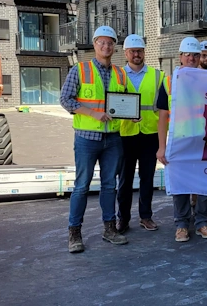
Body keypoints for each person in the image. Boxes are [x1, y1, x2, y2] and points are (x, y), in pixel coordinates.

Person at [60, 26, 129, 253]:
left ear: (114, 47)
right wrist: (92, 113)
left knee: (110, 186)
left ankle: (109, 229)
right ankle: (74, 233)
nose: (106, 46)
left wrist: (131, 114)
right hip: (87, 139)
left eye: (110, 43)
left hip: (113, 139)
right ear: (94, 44)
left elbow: (123, 102)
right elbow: (66, 99)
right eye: (102, 42)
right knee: (81, 186)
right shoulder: (80, 70)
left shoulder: (120, 73)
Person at [155, 37, 207, 241]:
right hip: (178, 140)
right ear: (180, 57)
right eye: (187, 54)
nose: (191, 58)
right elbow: (163, 115)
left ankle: (202, 223)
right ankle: (181, 225)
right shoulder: (169, 81)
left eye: (195, 55)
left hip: (202, 139)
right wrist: (161, 147)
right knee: (180, 183)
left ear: (200, 57)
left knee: (204, 182)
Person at [116, 34, 163, 234]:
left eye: (140, 51)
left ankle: (146, 216)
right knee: (124, 180)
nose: (137, 54)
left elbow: (162, 108)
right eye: (133, 51)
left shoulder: (157, 75)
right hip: (125, 134)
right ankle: (123, 219)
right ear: (126, 53)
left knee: (147, 178)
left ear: (144, 52)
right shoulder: (116, 75)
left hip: (149, 133)